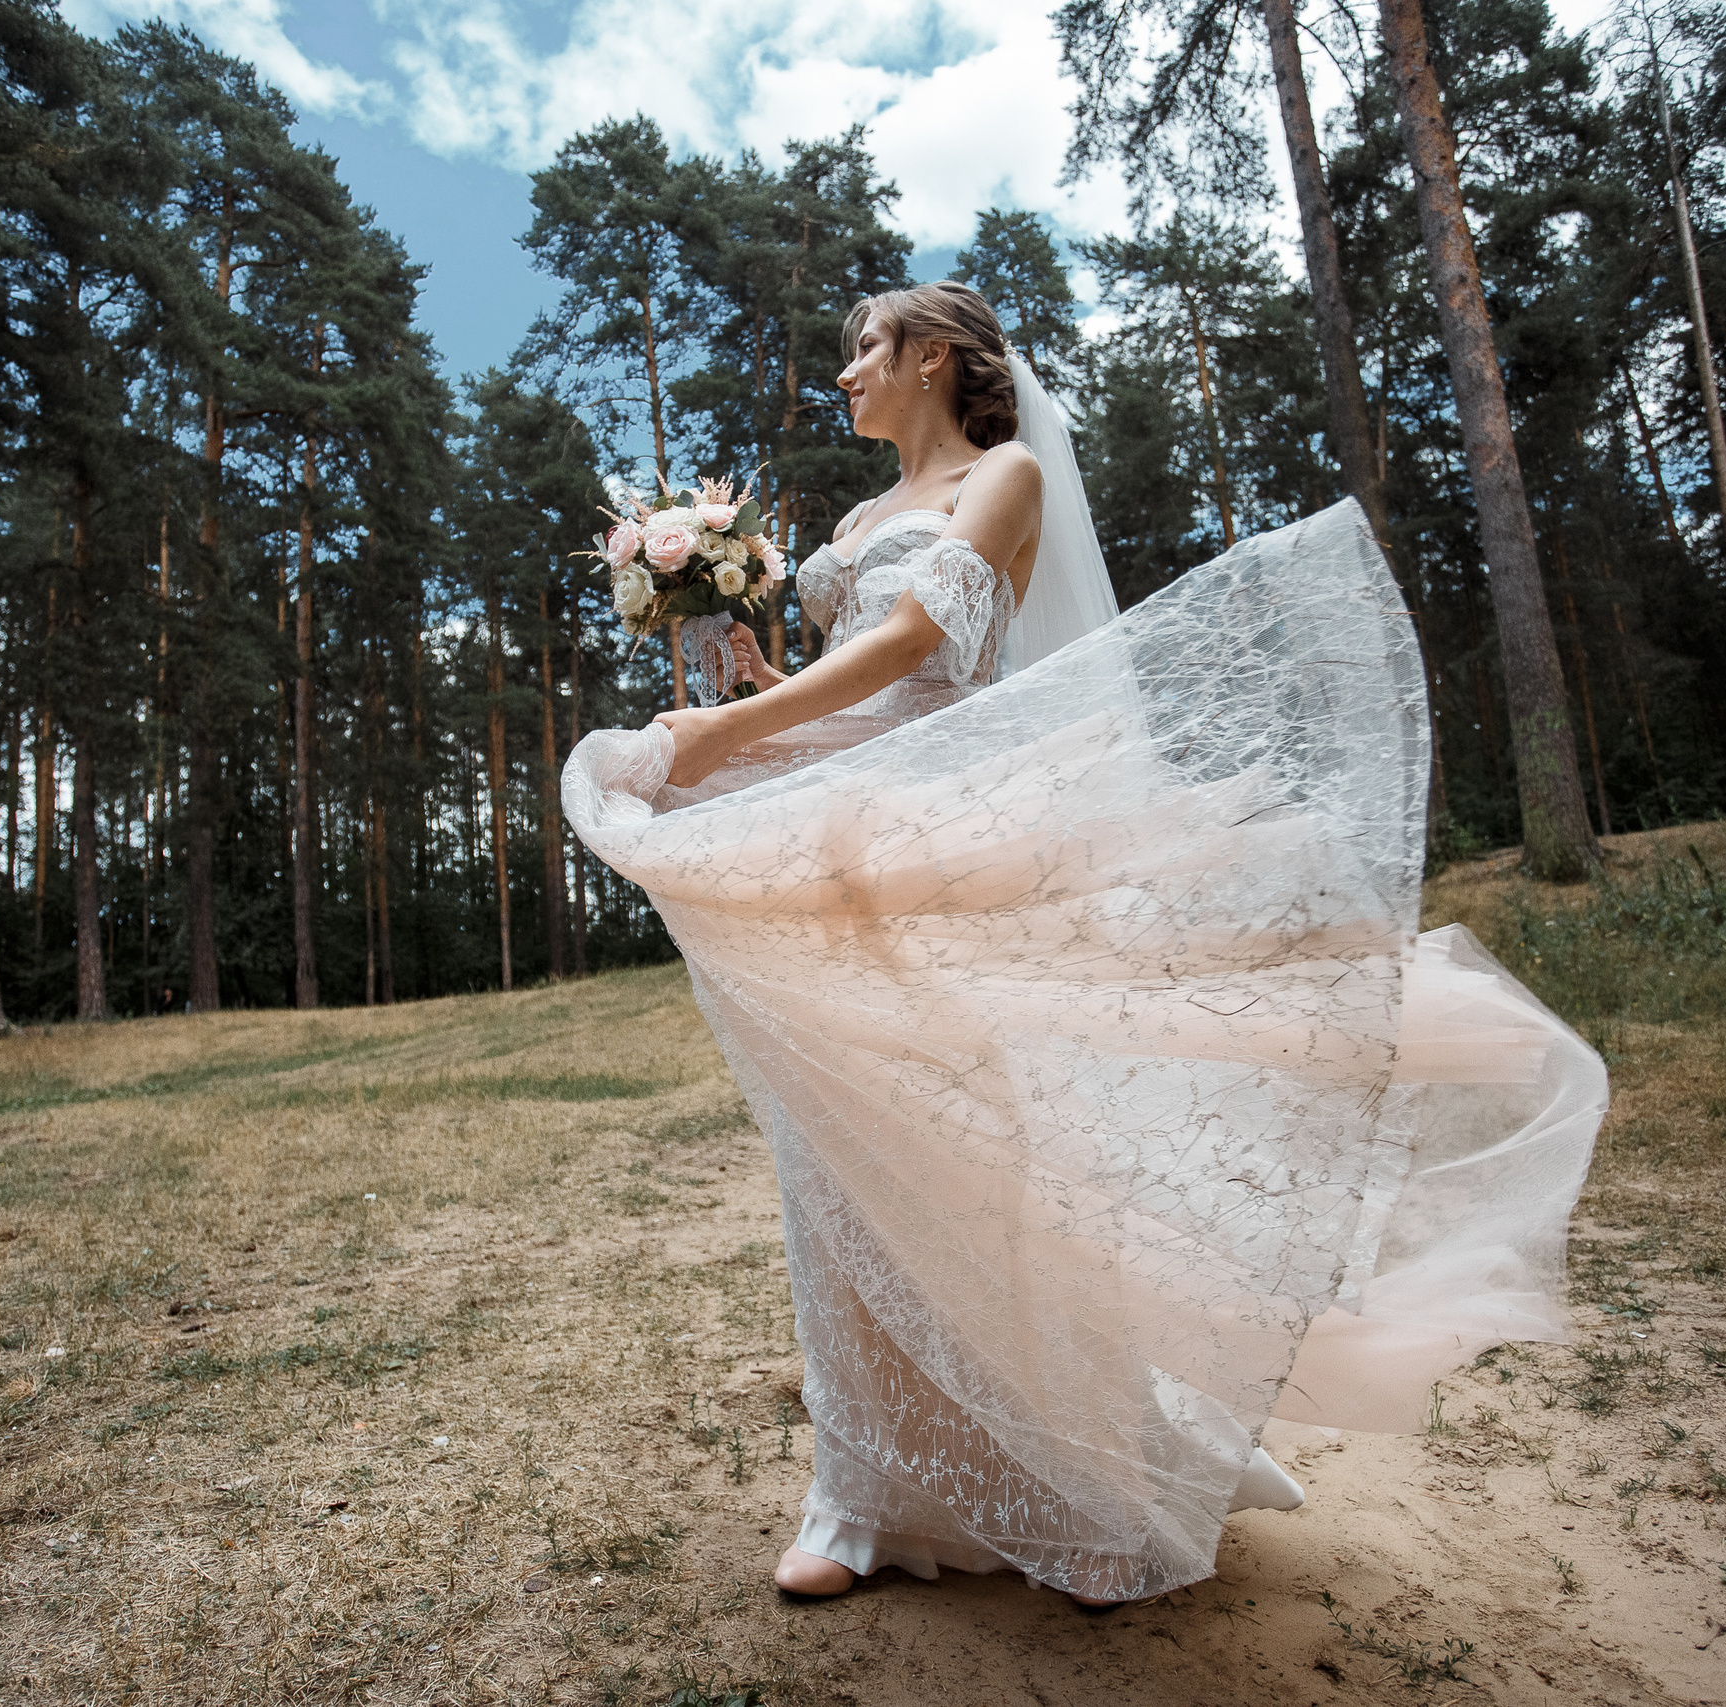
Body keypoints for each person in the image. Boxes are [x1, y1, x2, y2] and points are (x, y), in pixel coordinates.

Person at [561, 280, 1605, 1608]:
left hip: (951, 829)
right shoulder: (857, 522)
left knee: (976, 1154)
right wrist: (754, 687)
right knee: (834, 1157)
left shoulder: (1002, 480)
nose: (847, 372)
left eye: (867, 348)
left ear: (935, 358)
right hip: (839, 829)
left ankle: (1063, 1470)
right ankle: (864, 1495)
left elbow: (919, 644)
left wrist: (727, 735)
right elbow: (848, 677)